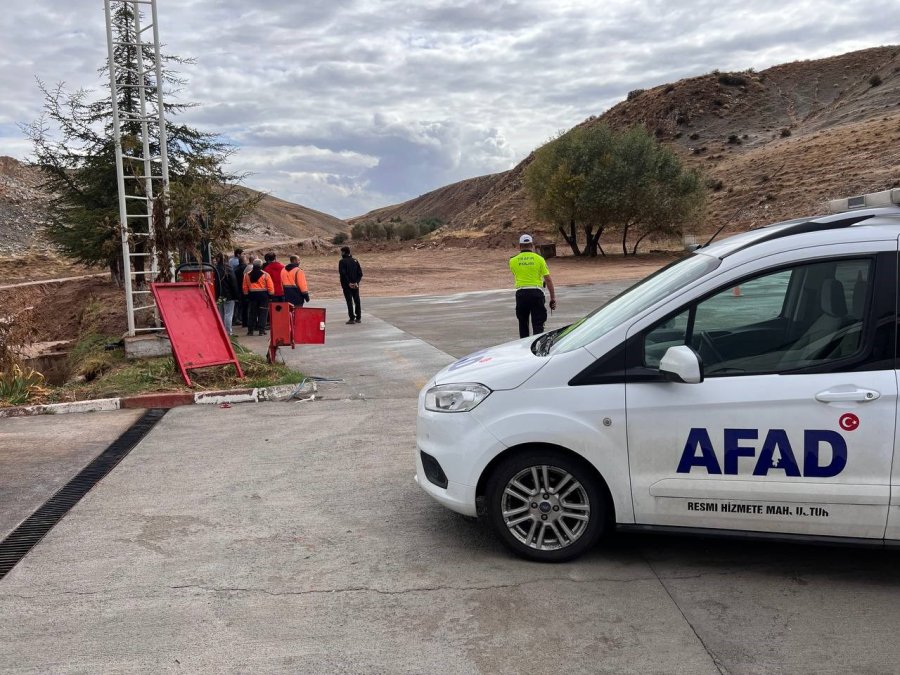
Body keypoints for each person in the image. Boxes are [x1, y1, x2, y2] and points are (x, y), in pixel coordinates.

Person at [509, 234, 556, 338]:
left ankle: (524, 345)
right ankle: (537, 344)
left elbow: (515, 274)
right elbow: (548, 279)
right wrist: (552, 298)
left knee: (523, 324)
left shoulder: (512, 261)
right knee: (538, 324)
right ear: (532, 245)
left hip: (521, 294)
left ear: (520, 246)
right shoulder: (540, 259)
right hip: (536, 293)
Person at [242, 259, 274, 336]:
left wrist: (246, 295)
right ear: (261, 265)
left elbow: (245, 287)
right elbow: (270, 287)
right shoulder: (266, 275)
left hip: (252, 296)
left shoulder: (247, 275)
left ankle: (250, 330)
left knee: (252, 313)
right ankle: (261, 330)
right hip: (263, 296)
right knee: (263, 313)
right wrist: (271, 295)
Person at [214, 252, 240, 336]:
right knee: (228, 314)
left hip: (219, 295)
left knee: (221, 313)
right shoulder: (228, 269)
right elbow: (233, 283)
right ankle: (228, 332)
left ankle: (221, 330)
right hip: (228, 295)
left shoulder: (215, 269)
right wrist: (236, 295)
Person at [338, 246, 363, 324]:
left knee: (349, 301)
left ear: (344, 252)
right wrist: (356, 282)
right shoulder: (355, 261)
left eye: (341, 252)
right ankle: (358, 317)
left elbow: (343, 274)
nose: (341, 253)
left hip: (346, 285)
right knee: (357, 300)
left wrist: (349, 283)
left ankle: (352, 318)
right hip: (355, 285)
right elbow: (360, 273)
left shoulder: (342, 262)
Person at [233, 253, 248, 328]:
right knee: (246, 306)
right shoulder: (246, 268)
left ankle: (239, 319)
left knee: (239, 305)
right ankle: (244, 320)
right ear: (244, 260)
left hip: (238, 288)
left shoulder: (235, 269)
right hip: (245, 288)